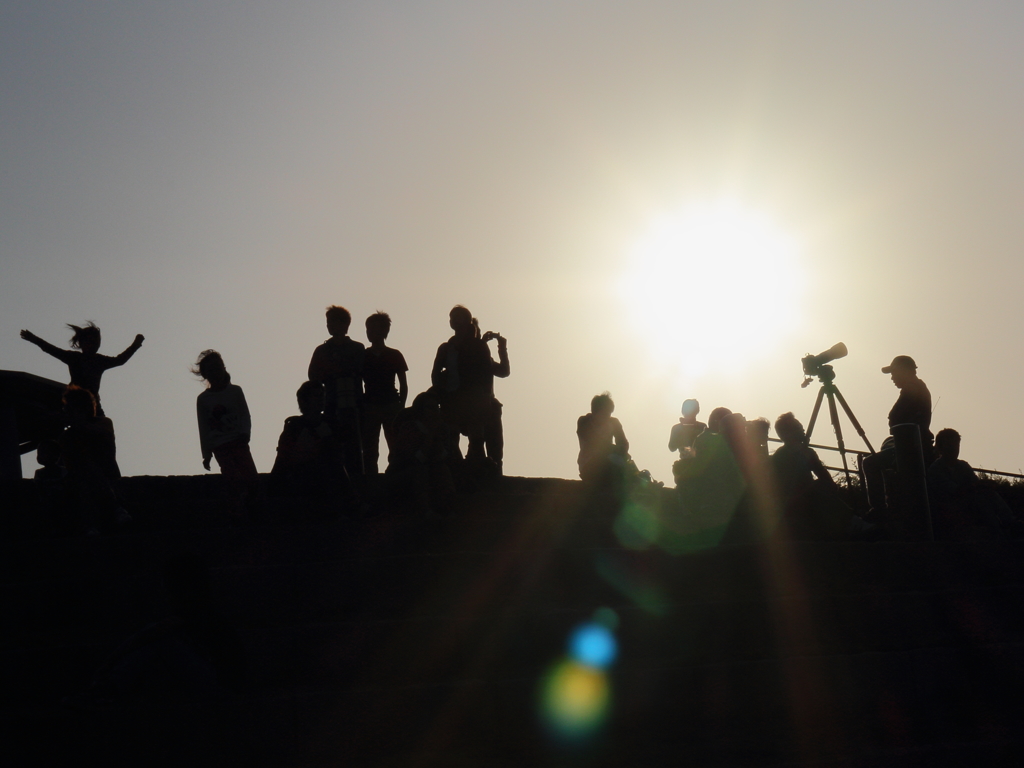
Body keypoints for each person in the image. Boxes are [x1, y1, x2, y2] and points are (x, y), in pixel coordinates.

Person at [430, 306, 509, 473]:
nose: (453, 321)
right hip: (453, 399)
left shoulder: (478, 347)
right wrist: (439, 392)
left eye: (457, 317)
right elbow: (436, 373)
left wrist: (484, 398)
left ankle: (486, 467)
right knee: (453, 437)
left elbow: (495, 373)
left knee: (481, 437)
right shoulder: (447, 348)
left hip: (475, 399)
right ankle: (459, 467)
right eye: (451, 317)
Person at [860, 355, 933, 513]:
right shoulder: (917, 387)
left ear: (904, 371)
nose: (892, 377)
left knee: (870, 463)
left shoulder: (912, 388)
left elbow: (897, 418)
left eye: (894, 372)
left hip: (909, 448)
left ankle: (879, 510)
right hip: (909, 444)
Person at [20, 323, 144, 413]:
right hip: (74, 403)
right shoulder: (74, 358)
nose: (93, 345)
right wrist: (34, 339)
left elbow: (120, 360)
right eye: (90, 342)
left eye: (95, 343)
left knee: (102, 427)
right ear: (82, 343)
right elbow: (51, 349)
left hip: (92, 404)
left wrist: (135, 345)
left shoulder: (99, 360)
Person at [193, 350, 259, 516]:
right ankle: (238, 508)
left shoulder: (236, 391)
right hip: (220, 445)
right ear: (205, 374)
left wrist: (245, 434)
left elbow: (245, 414)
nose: (216, 372)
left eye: (218, 368)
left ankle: (254, 505)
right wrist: (206, 453)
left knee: (250, 474)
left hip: (239, 441)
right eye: (211, 370)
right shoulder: (203, 400)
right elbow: (203, 427)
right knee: (231, 476)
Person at [928, 428, 1022, 539]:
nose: (954, 449)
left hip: (968, 502)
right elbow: (954, 491)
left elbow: (975, 484)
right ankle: (1001, 529)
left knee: (985, 494)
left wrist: (985, 485)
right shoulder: (935, 469)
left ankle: (1008, 523)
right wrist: (978, 486)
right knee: (980, 498)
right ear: (940, 448)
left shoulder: (963, 466)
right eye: (949, 445)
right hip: (948, 507)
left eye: (956, 445)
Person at [59, 386, 129, 533]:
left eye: (70, 408)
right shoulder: (68, 435)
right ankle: (109, 512)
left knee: (87, 473)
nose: (67, 412)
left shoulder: (103, 423)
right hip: (84, 478)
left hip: (107, 474)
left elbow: (101, 437)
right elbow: (69, 463)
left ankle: (97, 521)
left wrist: (78, 424)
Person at [308, 306, 366, 478]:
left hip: (354, 402)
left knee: (355, 445)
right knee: (332, 443)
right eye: (328, 323)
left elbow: (362, 370)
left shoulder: (357, 348)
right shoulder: (322, 350)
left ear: (344, 324)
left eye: (332, 322)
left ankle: (358, 481)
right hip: (332, 402)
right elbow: (313, 376)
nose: (329, 326)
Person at [270, 381, 339, 498]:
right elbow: (283, 460)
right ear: (304, 401)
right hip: (301, 477)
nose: (321, 399)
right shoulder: (294, 429)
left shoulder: (331, 424)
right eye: (316, 396)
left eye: (322, 395)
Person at [362, 311, 408, 475]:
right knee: (369, 447)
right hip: (370, 405)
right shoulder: (363, 355)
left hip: (390, 404)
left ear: (383, 331)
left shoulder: (394, 354)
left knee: (395, 445)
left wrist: (401, 405)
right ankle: (371, 478)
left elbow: (403, 383)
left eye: (373, 329)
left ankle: (395, 476)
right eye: (367, 329)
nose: (369, 333)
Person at [576, 392, 629, 485]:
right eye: (604, 413)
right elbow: (592, 444)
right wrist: (613, 449)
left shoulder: (614, 423)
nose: (607, 417)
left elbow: (623, 444)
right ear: (595, 411)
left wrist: (619, 451)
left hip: (611, 462)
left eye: (609, 413)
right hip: (589, 465)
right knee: (608, 462)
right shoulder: (584, 421)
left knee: (626, 464)